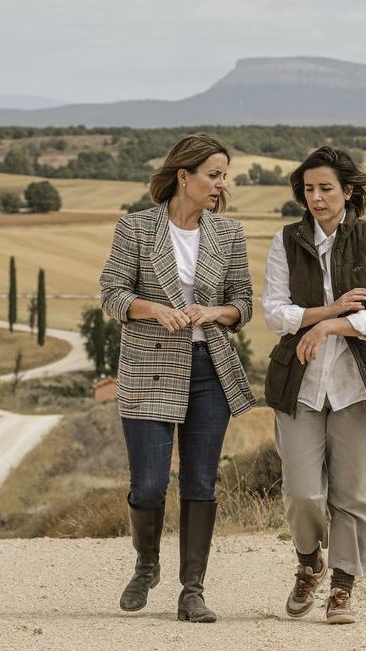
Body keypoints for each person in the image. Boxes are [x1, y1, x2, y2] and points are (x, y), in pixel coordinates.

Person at [100, 133, 256, 623]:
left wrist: (216, 312)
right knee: (148, 485)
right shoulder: (136, 228)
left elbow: (244, 304)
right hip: (147, 365)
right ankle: (147, 564)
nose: (220, 184)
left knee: (200, 482)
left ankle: (193, 590)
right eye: (213, 175)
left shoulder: (228, 235)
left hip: (209, 369)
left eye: (224, 176)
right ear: (183, 176)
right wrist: (152, 310)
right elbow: (111, 294)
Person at [261, 146, 366, 624]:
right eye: (308, 189)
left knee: (357, 492)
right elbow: (274, 314)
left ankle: (343, 584)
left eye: (325, 189)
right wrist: (331, 311)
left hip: (360, 384)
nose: (316, 198)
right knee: (302, 489)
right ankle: (308, 564)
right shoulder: (285, 241)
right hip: (299, 384)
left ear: (348, 192)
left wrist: (324, 328)